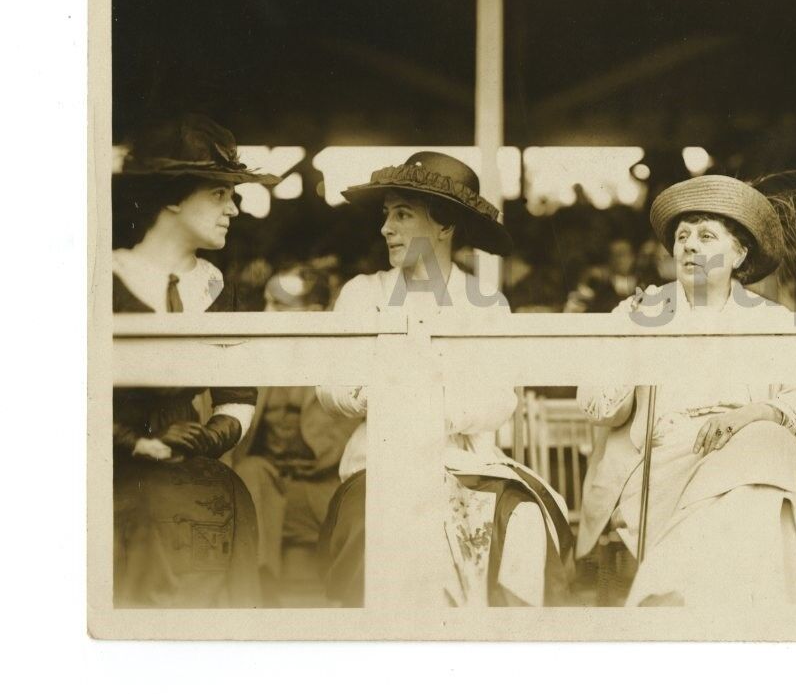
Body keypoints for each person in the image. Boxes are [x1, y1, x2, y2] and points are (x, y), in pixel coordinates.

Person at [315, 151, 571, 607]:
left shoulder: (484, 303)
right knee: (377, 526)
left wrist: (423, 402)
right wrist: (391, 399)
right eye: (386, 215)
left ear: (445, 225)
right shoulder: (363, 294)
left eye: (402, 215)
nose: (385, 229)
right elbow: (332, 386)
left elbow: (496, 399)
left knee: (524, 520)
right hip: (380, 461)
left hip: (468, 464)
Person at [576, 174, 796, 607]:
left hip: (750, 452)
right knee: (760, 495)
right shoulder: (643, 312)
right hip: (663, 463)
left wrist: (748, 416)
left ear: (739, 252)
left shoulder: (771, 320)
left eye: (707, 235)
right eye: (682, 236)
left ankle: (671, 597)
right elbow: (600, 409)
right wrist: (633, 340)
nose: (689, 246)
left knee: (765, 446)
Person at [110, 113, 277, 607]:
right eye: (220, 194)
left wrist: (212, 437)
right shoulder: (107, 280)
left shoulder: (216, 287)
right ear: (173, 196)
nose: (234, 210)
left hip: (199, 472)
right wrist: (142, 444)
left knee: (225, 499)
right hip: (114, 471)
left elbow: (237, 394)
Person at [232, 268, 360, 606]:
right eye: (266, 303)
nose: (265, 314)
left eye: (278, 305)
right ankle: (261, 592)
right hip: (270, 480)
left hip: (322, 481)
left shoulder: (344, 359)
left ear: (315, 314)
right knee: (250, 472)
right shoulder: (253, 357)